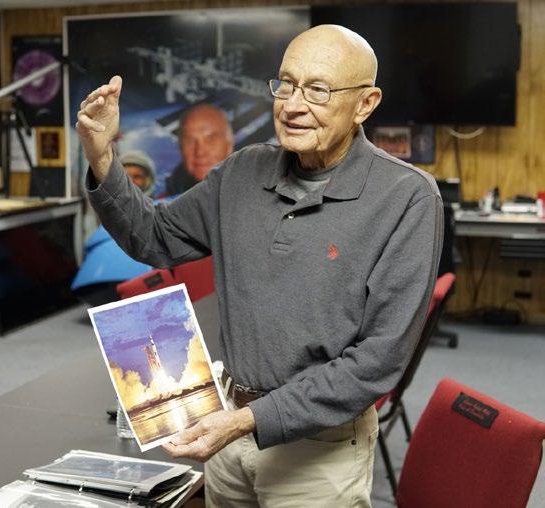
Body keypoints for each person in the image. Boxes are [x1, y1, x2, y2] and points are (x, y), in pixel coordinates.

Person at [77, 24, 443, 508]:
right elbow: (155, 237)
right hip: (228, 431)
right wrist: (101, 154)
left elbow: (376, 362)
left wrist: (247, 420)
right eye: (286, 83)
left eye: (317, 89)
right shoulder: (243, 170)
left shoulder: (407, 198)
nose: (292, 104)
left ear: (365, 104)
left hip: (319, 452)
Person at [165, 103, 234, 195]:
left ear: (229, 143)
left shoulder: (256, 193)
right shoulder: (167, 202)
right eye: (189, 141)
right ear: (180, 147)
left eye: (211, 139)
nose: (200, 152)